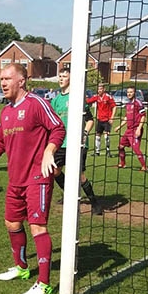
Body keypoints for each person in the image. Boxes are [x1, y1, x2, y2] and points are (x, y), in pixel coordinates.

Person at [0, 63, 65, 294]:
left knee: (37, 227)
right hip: (15, 180)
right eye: (1, 79)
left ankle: (44, 283)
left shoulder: (36, 103)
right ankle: (22, 268)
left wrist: (49, 151)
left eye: (7, 79)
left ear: (21, 81)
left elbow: (58, 128)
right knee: (12, 223)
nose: (2, 83)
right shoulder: (6, 112)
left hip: (37, 177)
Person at [50, 68, 103, 215]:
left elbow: (90, 120)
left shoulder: (77, 98)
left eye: (64, 76)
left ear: (71, 79)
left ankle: (95, 203)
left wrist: (84, 133)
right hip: (61, 143)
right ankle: (69, 196)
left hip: (76, 144)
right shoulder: (55, 100)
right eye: (60, 76)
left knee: (79, 175)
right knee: (54, 171)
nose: (61, 79)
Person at [113, 86, 148, 171]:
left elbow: (143, 116)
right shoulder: (128, 104)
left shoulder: (138, 103)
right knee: (120, 146)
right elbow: (126, 117)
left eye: (131, 92)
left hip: (135, 129)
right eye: (128, 92)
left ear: (134, 93)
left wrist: (139, 128)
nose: (129, 94)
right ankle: (122, 163)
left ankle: (144, 166)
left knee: (136, 148)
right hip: (128, 130)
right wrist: (119, 126)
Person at [85, 83, 116, 157]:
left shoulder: (108, 97)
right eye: (98, 89)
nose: (99, 90)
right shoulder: (97, 97)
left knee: (106, 135)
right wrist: (84, 97)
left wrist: (112, 117)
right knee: (97, 135)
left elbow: (114, 107)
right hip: (99, 119)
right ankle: (97, 151)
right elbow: (88, 101)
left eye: (101, 89)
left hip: (107, 119)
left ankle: (108, 151)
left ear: (104, 89)